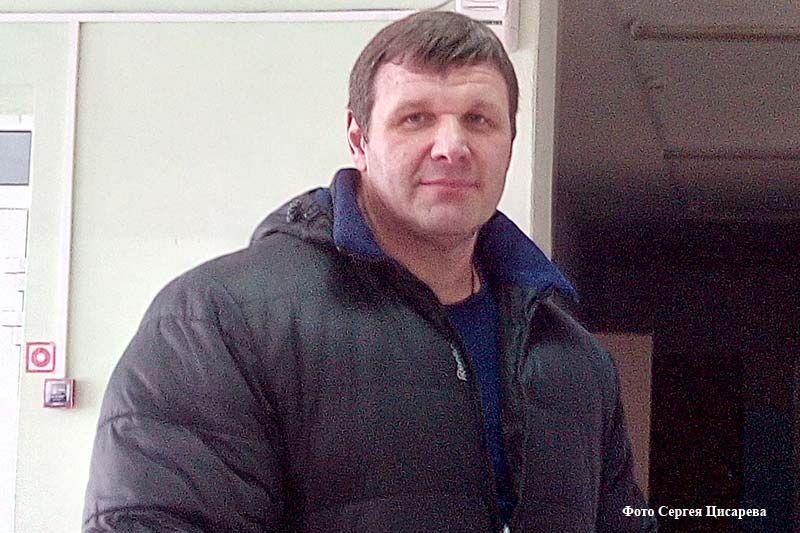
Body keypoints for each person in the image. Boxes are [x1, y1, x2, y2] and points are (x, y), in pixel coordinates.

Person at [83, 10, 656, 533]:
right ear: (359, 139)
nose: (452, 146)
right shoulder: (219, 322)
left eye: (479, 120)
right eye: (415, 118)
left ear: (509, 142)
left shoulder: (572, 358)